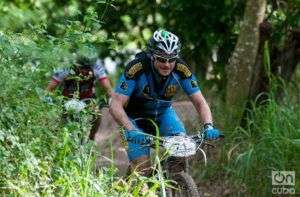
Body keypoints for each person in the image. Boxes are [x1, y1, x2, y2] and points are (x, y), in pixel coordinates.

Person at [109, 30, 223, 175]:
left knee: (180, 155)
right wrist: (131, 129)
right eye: (162, 59)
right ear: (151, 56)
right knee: (143, 169)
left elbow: (200, 102)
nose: (167, 64)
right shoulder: (137, 68)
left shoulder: (181, 69)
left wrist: (208, 126)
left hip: (163, 115)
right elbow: (115, 105)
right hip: (133, 118)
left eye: (172, 59)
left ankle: (177, 185)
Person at [46, 55, 113, 140]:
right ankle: (57, 139)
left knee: (97, 114)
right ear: (76, 65)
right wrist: (48, 100)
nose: (85, 71)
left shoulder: (96, 67)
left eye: (88, 68)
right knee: (60, 121)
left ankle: (91, 138)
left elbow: (108, 88)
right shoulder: (66, 68)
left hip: (87, 98)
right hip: (67, 98)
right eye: (82, 68)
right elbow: (49, 89)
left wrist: (111, 99)